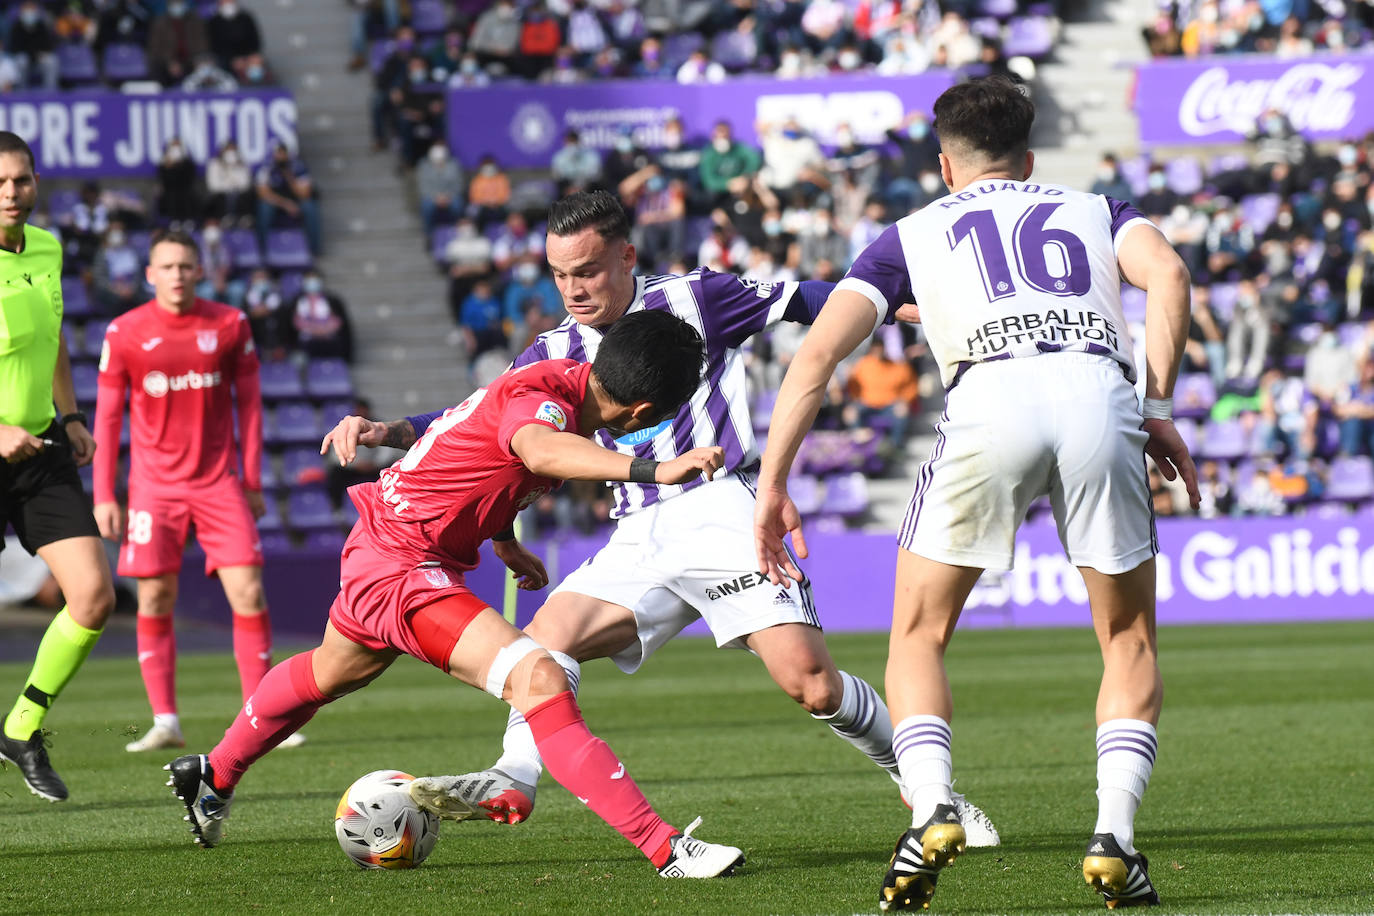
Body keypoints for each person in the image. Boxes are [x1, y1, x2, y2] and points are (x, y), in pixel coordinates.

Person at [322, 190, 999, 844]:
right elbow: (465, 421)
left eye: (586, 270)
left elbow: (804, 301)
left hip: (721, 510)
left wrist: (894, 308)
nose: (573, 289)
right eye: (560, 275)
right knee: (546, 640)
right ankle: (513, 777)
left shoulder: (695, 298)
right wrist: (389, 430)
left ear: (625, 256)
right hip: (637, 524)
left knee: (813, 686)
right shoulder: (551, 351)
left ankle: (929, 790)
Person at [751, 77, 1198, 911]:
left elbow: (814, 360)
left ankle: (931, 809)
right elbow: (1168, 275)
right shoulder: (1098, 209)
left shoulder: (910, 235)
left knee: (919, 632)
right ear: (1029, 160)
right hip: (1097, 391)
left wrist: (772, 484)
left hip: (988, 396)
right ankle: (1114, 837)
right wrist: (1159, 408)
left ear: (947, 167)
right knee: (1128, 635)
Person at [169, 311, 747, 882]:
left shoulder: (556, 382)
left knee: (331, 672)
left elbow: (476, 451)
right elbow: (538, 451)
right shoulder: (550, 407)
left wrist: (502, 540)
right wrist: (657, 469)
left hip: (384, 545)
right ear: (645, 412)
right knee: (539, 676)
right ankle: (665, 848)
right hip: (403, 563)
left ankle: (213, 773)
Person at [92, 230, 296, 755]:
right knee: (156, 597)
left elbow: (249, 405)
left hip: (217, 483)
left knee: (248, 593)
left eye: (186, 265)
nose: (177, 274)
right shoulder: (125, 331)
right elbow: (108, 415)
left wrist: (251, 479)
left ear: (199, 270)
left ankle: (261, 718)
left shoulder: (229, 324)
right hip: (152, 487)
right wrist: (103, 494)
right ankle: (165, 720)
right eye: (167, 266)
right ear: (149, 274)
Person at [0, 131, 116, 802]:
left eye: (21, 180)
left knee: (94, 596)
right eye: (0, 183)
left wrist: (70, 416)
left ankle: (22, 725)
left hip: (40, 450)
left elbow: (54, 340)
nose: (11, 193)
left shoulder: (47, 247)